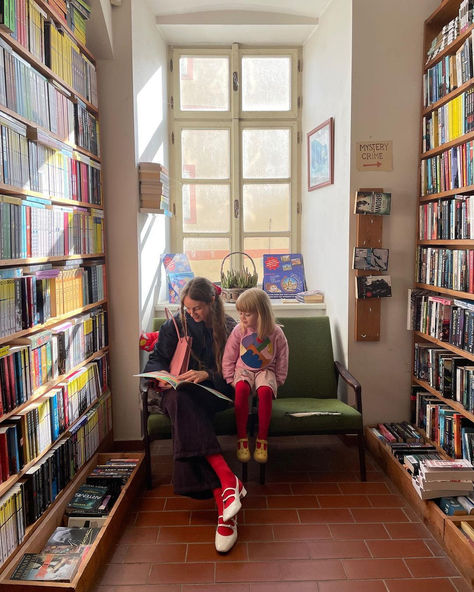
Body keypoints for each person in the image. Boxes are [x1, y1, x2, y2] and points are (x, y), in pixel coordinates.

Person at [142, 277, 244, 553]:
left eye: (196, 309)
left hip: (214, 394)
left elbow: (235, 373)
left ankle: (224, 491)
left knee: (183, 402)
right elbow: (156, 360)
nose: (191, 314)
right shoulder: (174, 325)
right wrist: (159, 376)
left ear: (211, 303)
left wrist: (206, 374)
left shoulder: (230, 328)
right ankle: (225, 487)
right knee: (178, 396)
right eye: (187, 309)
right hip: (179, 394)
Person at [222, 287, 289, 464]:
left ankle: (262, 440)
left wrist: (280, 378)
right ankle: (242, 438)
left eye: (247, 314)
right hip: (243, 370)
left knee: (265, 392)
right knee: (242, 390)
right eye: (240, 313)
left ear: (261, 313)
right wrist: (229, 376)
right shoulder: (239, 330)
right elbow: (230, 354)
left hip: (266, 371)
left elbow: (283, 356)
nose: (242, 318)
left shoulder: (276, 332)